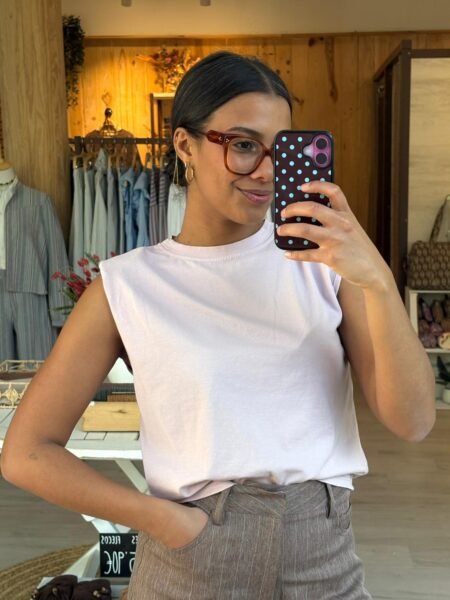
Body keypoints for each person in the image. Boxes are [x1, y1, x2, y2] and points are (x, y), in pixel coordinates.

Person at [1, 51, 435, 599]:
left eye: (281, 149)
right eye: (244, 145)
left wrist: (378, 281)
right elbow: (27, 453)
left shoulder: (327, 266)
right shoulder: (127, 285)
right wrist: (166, 522)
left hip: (321, 556)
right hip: (191, 564)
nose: (267, 170)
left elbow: (413, 422)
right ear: (185, 145)